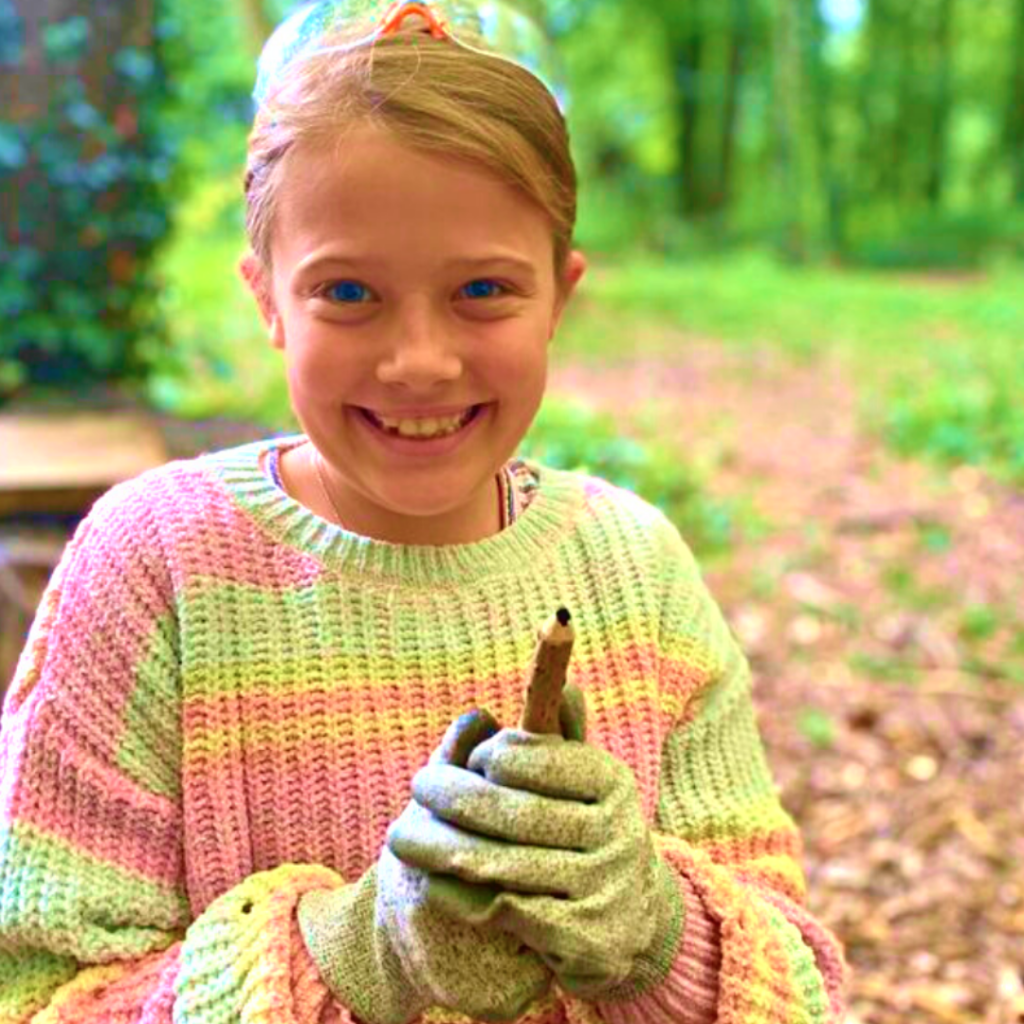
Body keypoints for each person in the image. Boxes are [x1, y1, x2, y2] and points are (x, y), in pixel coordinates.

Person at [0, 2, 850, 1021]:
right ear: (266, 295)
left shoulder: (637, 574)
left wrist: (656, 931)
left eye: (483, 289)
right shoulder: (154, 567)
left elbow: (797, 987)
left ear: (559, 296)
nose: (418, 361)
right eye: (348, 291)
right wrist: (357, 956)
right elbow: (45, 992)